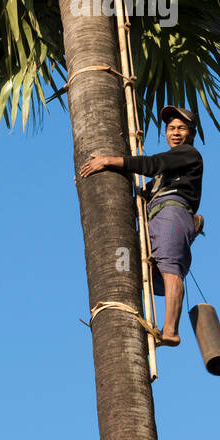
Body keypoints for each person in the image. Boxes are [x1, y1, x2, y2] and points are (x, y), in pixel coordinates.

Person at [79, 106, 203, 349]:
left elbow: (152, 163)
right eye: (171, 128)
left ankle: (170, 331)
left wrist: (108, 160)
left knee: (169, 265)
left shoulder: (188, 154)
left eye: (181, 128)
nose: (175, 133)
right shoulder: (166, 172)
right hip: (154, 216)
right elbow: (142, 190)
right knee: (132, 265)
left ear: (190, 133)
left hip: (172, 211)